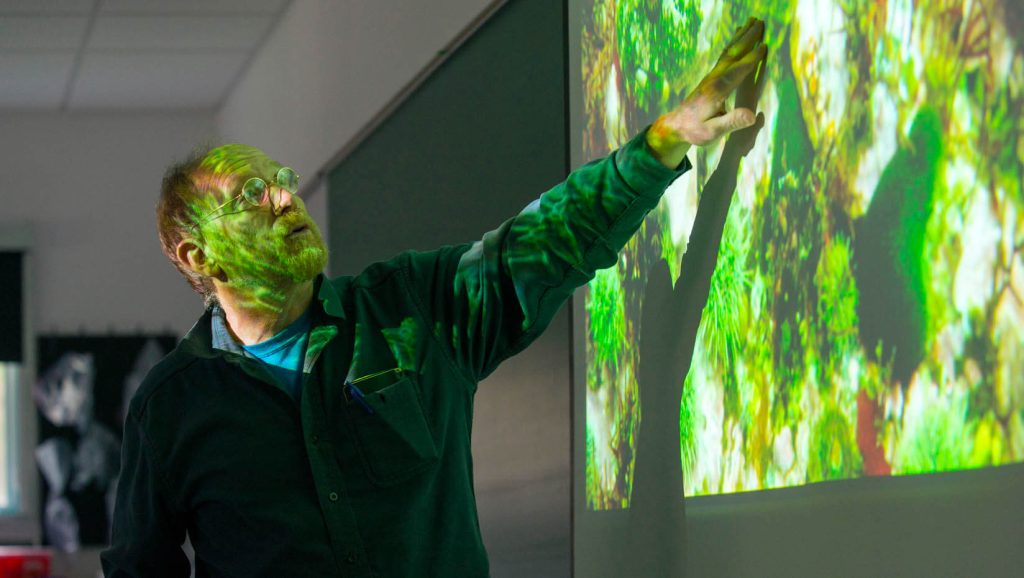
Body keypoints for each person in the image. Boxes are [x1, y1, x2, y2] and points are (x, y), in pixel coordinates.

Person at [100, 18, 767, 578]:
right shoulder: (170, 407)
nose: (284, 197)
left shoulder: (412, 309)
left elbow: (545, 241)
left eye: (280, 179)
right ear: (198, 255)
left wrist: (663, 143)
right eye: (251, 195)